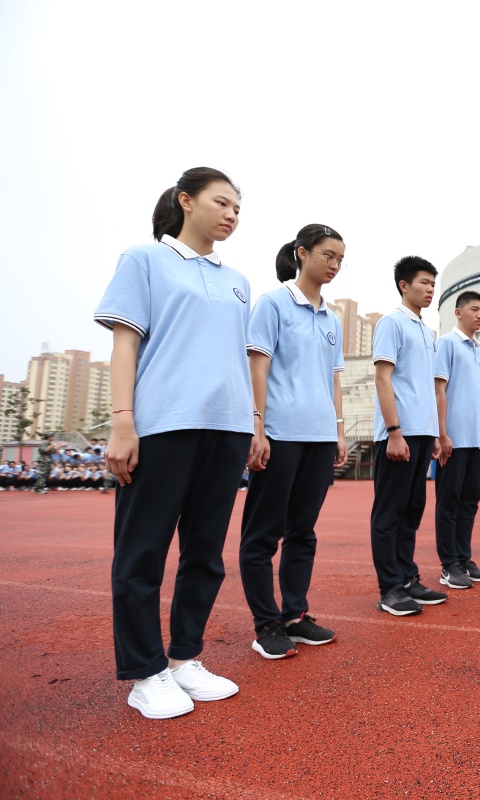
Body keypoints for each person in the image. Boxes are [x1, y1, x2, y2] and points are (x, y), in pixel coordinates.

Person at [94, 167, 251, 719]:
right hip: (163, 423)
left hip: (227, 428)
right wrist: (121, 421)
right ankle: (143, 671)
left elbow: (235, 357)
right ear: (186, 201)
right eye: (222, 202)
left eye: (239, 207)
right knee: (142, 554)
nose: (232, 213)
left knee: (205, 555)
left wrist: (251, 424)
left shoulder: (238, 280)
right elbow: (124, 344)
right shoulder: (144, 260)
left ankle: (185, 659)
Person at [239, 223, 348, 660]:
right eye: (328, 255)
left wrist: (339, 431)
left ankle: (294, 615)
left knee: (303, 532)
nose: (335, 264)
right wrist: (257, 427)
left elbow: (335, 379)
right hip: (280, 434)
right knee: (263, 535)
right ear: (302, 253)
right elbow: (257, 367)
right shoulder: (273, 303)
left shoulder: (333, 319)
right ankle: (266, 623)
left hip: (320, 437)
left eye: (341, 258)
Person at [370, 256, 447, 617]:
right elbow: (384, 379)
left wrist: (432, 433)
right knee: (389, 512)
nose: (430, 289)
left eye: (433, 284)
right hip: (397, 433)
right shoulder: (392, 323)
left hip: (421, 432)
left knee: (412, 510)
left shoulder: (425, 330)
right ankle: (390, 588)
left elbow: (424, 387)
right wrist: (394, 431)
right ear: (404, 285)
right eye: (424, 283)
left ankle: (407, 576)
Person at [434, 290, 480, 590]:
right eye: (474, 309)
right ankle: (448, 565)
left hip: (476, 440)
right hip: (453, 439)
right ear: (458, 312)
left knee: (470, 501)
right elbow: (439, 390)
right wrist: (442, 433)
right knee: (449, 501)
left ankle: (464, 558)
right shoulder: (446, 343)